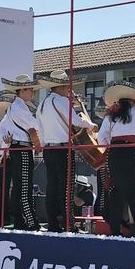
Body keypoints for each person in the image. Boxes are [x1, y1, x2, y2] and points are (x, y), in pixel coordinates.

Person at [35, 70, 98, 232]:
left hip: (48, 149)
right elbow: (76, 121)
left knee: (52, 188)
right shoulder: (62, 101)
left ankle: (53, 223)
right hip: (63, 149)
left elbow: (39, 130)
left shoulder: (41, 104)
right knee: (67, 188)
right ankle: (69, 224)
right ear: (62, 86)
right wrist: (91, 125)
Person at [97, 81, 135, 236]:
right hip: (130, 152)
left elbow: (100, 138)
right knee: (132, 190)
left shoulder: (111, 115)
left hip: (114, 153)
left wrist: (109, 146)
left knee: (116, 190)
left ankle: (115, 228)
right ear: (133, 101)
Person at [1, 74, 43, 231]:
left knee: (18, 186)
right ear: (23, 90)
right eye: (30, 89)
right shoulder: (19, 107)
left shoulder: (14, 107)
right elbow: (35, 124)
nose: (33, 92)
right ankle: (31, 222)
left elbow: (2, 129)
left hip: (17, 148)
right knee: (25, 187)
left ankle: (20, 220)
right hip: (22, 149)